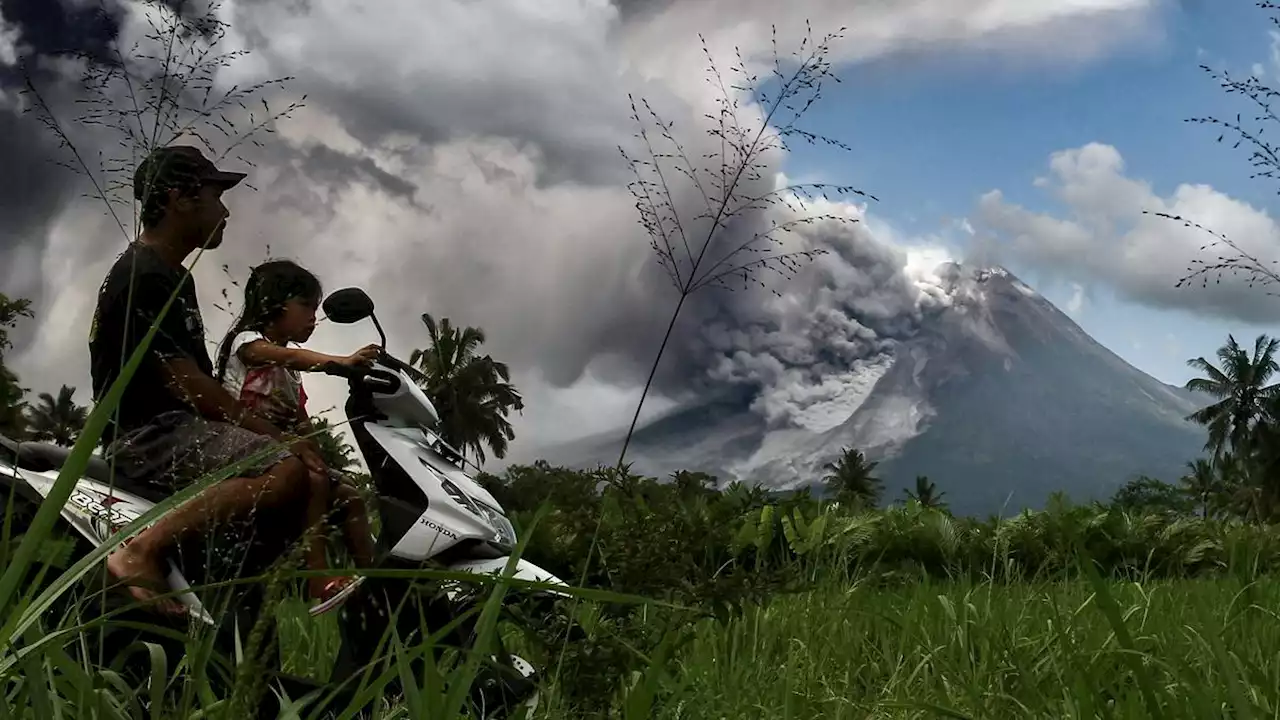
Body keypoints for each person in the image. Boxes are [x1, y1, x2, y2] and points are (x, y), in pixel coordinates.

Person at [90, 144, 326, 616]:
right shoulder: (144, 273)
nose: (226, 211)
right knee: (281, 467)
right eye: (216, 195)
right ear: (180, 199)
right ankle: (140, 549)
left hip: (178, 431)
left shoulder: (174, 276)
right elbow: (188, 383)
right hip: (150, 436)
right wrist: (277, 437)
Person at [215, 259, 380, 613]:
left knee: (350, 493)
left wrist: (314, 448)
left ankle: (378, 584)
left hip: (277, 449)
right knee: (316, 479)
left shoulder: (290, 375)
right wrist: (340, 362)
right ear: (275, 303)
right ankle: (318, 577)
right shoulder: (249, 343)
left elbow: (300, 417)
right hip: (237, 443)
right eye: (306, 306)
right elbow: (288, 356)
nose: (313, 317)